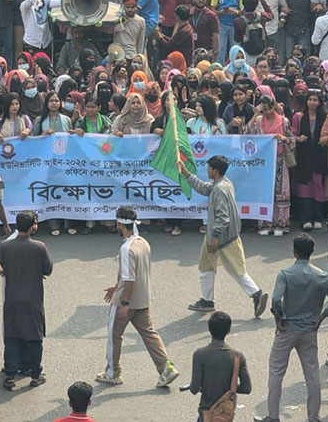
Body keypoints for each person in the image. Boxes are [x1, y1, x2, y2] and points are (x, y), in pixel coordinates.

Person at [259, 233, 328, 422]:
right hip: (309, 331)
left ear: (294, 252)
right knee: (312, 375)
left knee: (276, 372)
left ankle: (273, 416)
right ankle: (313, 417)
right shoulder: (322, 276)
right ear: (312, 252)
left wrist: (278, 318)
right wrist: (322, 317)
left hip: (287, 329)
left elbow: (275, 299)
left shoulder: (286, 274)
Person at [95, 206, 180, 389]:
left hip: (126, 300)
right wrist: (116, 286)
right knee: (149, 334)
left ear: (119, 224)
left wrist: (124, 303)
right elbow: (133, 274)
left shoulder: (126, 249)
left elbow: (129, 278)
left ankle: (113, 372)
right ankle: (166, 368)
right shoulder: (143, 243)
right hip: (143, 300)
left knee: (114, 336)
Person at [177, 155, 267, 316]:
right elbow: (204, 188)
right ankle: (212, 299)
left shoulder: (218, 189)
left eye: (209, 168)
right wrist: (186, 173)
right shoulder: (224, 183)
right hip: (229, 235)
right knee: (230, 269)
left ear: (215, 171)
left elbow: (223, 217)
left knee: (212, 269)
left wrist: (214, 238)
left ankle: (252, 294)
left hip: (220, 236)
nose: (207, 170)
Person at [0, 211, 53, 391]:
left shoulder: (5, 246)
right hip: (33, 300)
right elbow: (48, 269)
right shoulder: (39, 247)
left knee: (12, 336)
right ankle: (35, 374)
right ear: (33, 226)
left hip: (12, 299)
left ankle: (10, 374)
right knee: (35, 337)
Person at [188, 311, 252, 420]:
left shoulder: (200, 354)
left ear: (209, 329)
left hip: (207, 413)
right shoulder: (237, 357)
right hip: (225, 415)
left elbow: (194, 388)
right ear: (229, 330)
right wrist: (228, 388)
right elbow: (246, 388)